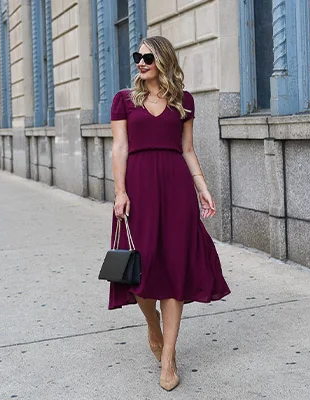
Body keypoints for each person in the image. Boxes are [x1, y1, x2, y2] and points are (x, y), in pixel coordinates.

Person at [108, 36, 231, 391]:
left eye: (148, 56)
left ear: (164, 60)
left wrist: (202, 187)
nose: (141, 62)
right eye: (137, 56)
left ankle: (169, 357)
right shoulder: (124, 101)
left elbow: (187, 150)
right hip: (139, 191)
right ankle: (152, 324)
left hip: (177, 191)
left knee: (174, 269)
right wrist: (120, 192)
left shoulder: (183, 101)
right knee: (139, 272)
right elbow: (120, 148)